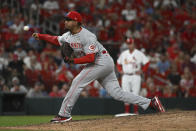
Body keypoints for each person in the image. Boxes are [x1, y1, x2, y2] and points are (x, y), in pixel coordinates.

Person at [32, 11, 165, 123]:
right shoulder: (67, 36)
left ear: (77, 22)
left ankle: (64, 114)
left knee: (77, 82)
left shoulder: (88, 36)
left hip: (101, 61)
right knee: (117, 93)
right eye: (65, 19)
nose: (65, 21)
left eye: (69, 19)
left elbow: (91, 58)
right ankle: (150, 102)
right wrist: (41, 36)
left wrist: (73, 61)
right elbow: (55, 39)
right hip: (101, 63)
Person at [117, 38, 150, 114]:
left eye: (130, 43)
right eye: (128, 44)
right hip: (125, 75)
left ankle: (135, 112)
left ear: (134, 44)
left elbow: (147, 62)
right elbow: (118, 63)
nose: (129, 45)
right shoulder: (124, 54)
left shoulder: (139, 53)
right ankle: (127, 112)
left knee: (135, 93)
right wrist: (120, 70)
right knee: (125, 94)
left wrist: (142, 71)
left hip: (135, 75)